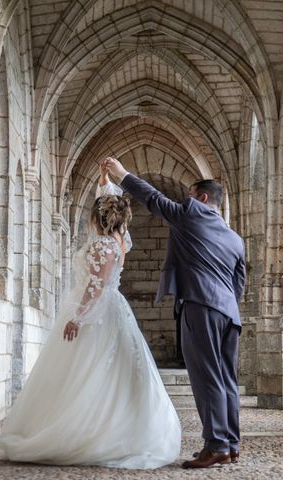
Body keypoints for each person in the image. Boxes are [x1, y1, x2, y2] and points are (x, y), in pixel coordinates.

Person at [0, 173, 181, 469]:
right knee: (106, 375)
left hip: (98, 312)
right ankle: (110, 427)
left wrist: (77, 318)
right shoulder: (119, 243)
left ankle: (88, 433)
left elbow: (94, 287)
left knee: (88, 372)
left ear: (98, 218)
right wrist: (105, 178)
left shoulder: (102, 246)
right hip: (115, 309)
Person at [104, 156, 246, 469]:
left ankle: (217, 446)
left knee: (207, 378)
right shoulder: (235, 239)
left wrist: (122, 174)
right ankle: (230, 444)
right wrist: (224, 307)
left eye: (191, 196)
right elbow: (239, 283)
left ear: (203, 199)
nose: (187, 201)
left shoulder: (191, 216)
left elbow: (153, 199)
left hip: (201, 307)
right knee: (226, 380)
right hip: (229, 314)